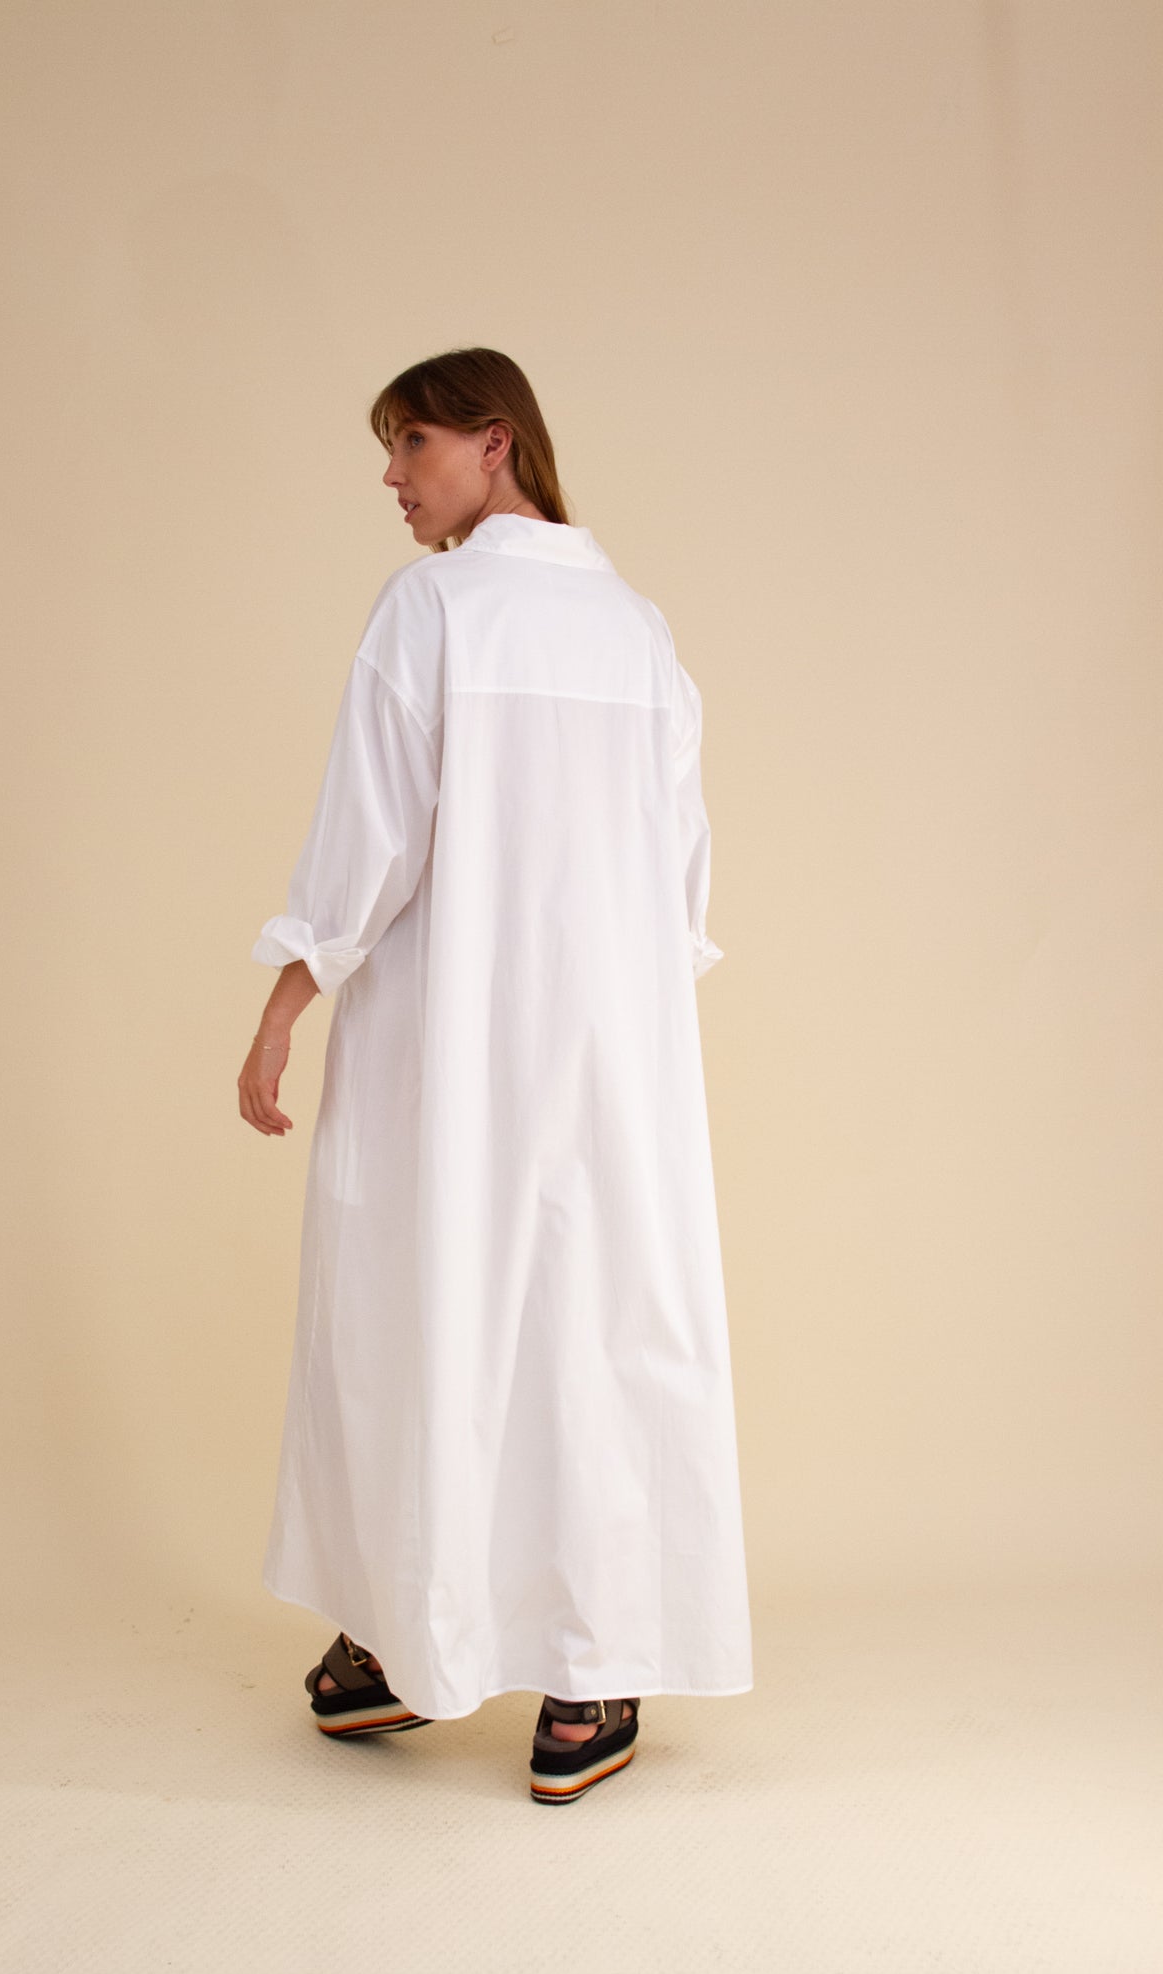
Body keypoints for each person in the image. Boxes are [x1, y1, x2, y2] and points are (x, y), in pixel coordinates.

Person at [238, 347, 752, 1804]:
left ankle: (409, 1638)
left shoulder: (435, 609)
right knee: (598, 1329)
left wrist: (285, 999)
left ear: (494, 442)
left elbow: (368, 843)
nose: (392, 476)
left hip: (448, 1045)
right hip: (614, 1055)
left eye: (411, 443)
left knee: (420, 1312)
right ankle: (589, 1681)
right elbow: (681, 874)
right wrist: (618, 1020)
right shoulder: (639, 631)